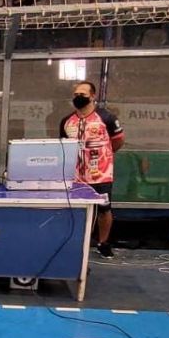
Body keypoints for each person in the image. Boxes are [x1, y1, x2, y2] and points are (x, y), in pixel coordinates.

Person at [57, 81, 125, 258]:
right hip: (75, 176)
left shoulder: (107, 118)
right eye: (76, 94)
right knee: (74, 209)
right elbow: (63, 146)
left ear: (93, 96)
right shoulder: (67, 121)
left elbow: (118, 141)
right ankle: (74, 242)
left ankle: (103, 243)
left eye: (83, 94)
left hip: (101, 174)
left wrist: (105, 156)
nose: (78, 97)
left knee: (104, 209)